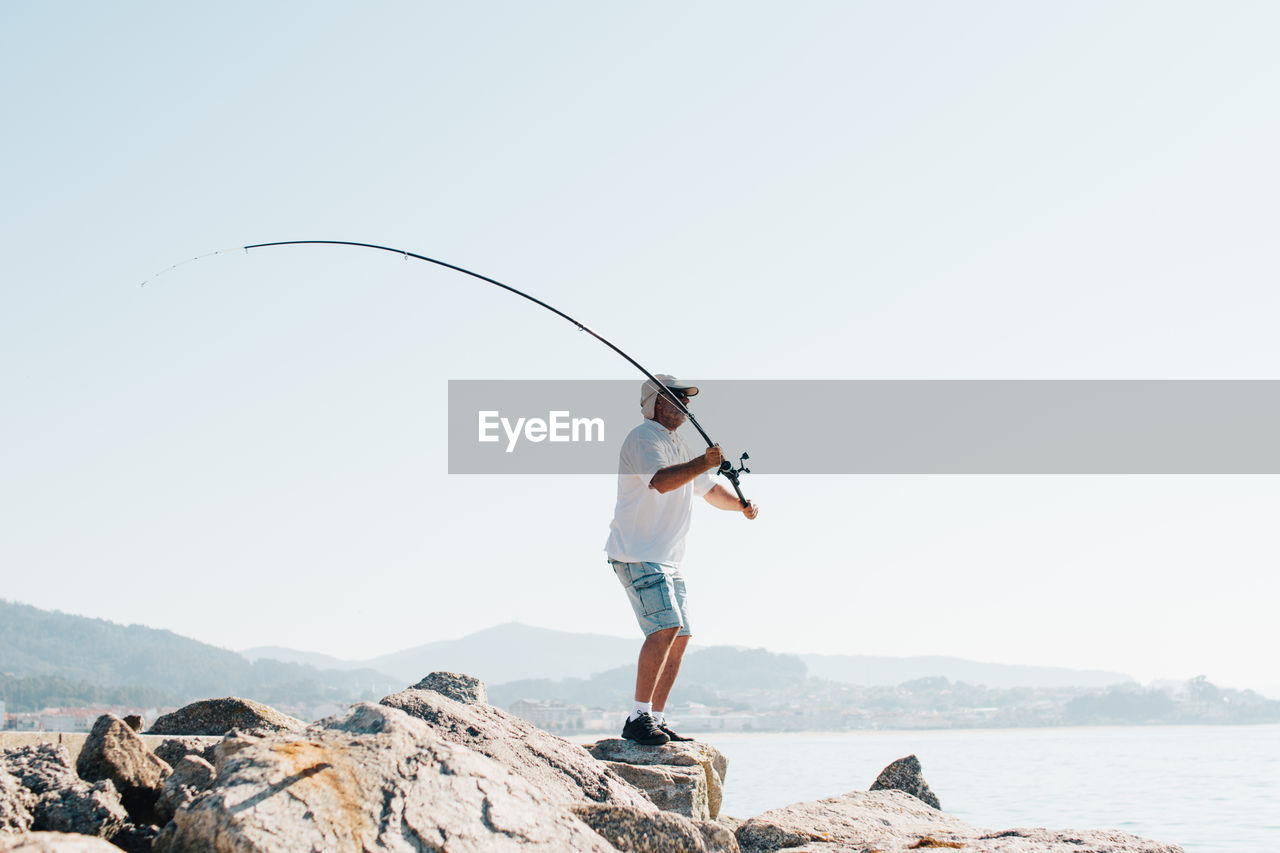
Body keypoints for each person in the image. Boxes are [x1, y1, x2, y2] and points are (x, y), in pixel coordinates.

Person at [605, 374, 759, 746]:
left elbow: (706, 490)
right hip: (638, 554)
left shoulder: (679, 443)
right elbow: (661, 481)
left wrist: (739, 505)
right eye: (679, 399)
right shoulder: (642, 439)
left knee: (681, 634)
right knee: (664, 628)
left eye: (688, 400)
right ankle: (637, 718)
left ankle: (656, 718)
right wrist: (702, 461)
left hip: (668, 559)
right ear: (658, 403)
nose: (687, 405)